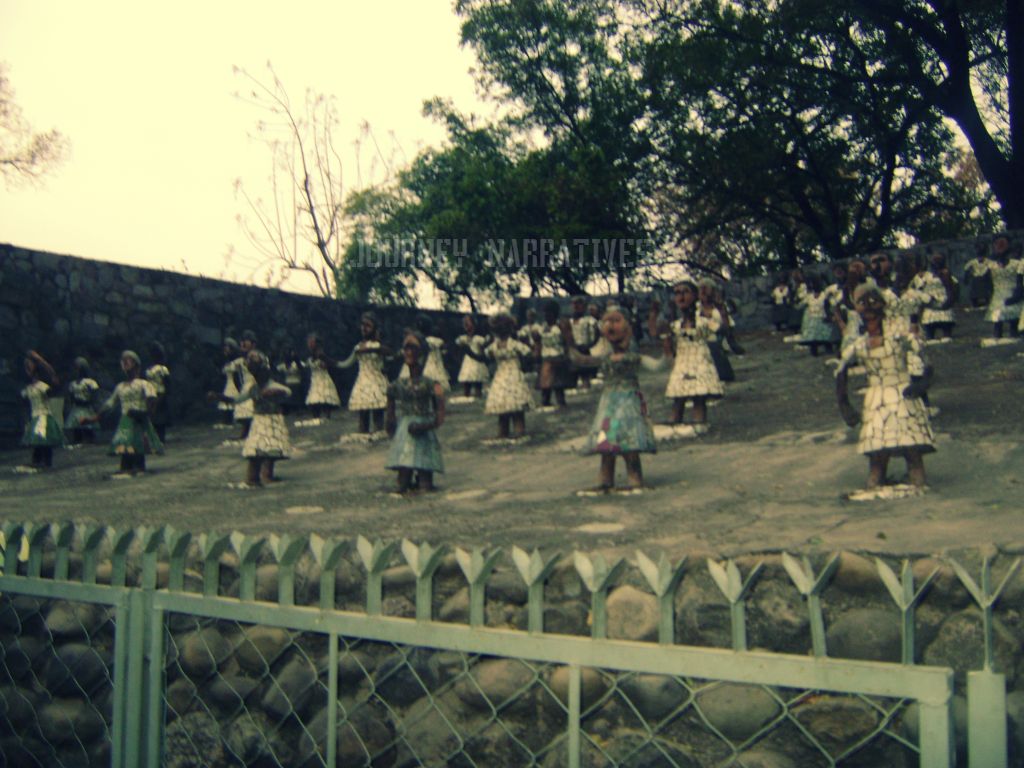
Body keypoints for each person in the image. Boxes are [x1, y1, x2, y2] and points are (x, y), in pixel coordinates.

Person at [836, 285, 934, 489]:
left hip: (902, 395)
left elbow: (925, 361)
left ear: (882, 306)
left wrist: (921, 384)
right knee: (877, 456)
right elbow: (840, 370)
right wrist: (844, 404)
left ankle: (916, 483)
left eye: (873, 302)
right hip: (876, 401)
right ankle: (879, 484)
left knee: (912, 449)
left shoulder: (899, 337)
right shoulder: (859, 344)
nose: (869, 309)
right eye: (863, 304)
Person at [570, 307, 666, 493]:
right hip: (609, 403)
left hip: (628, 402)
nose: (610, 326)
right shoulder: (606, 357)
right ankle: (606, 478)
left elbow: (658, 366)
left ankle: (634, 478)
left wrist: (667, 346)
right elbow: (582, 361)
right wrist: (569, 345)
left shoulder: (632, 357)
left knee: (629, 441)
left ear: (628, 326)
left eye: (616, 320)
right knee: (607, 441)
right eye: (607, 321)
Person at [213, 351, 291, 488]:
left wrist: (276, 392)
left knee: (269, 449)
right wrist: (219, 396)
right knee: (257, 449)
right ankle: (254, 478)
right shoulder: (253, 388)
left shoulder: (271, 385)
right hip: (259, 420)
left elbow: (287, 391)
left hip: (272, 420)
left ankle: (263, 476)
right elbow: (237, 400)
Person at [385, 331, 446, 494]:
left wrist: (425, 425)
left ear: (422, 353)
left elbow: (440, 415)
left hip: (423, 433)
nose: (409, 352)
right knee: (402, 481)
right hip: (404, 432)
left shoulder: (431, 384)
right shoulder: (397, 385)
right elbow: (390, 411)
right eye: (406, 348)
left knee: (425, 483)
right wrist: (390, 424)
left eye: (413, 348)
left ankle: (422, 480)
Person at [86, 350, 163, 477]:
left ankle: (138, 467)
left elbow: (152, 398)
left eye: (129, 360)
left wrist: (146, 413)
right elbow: (110, 403)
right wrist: (95, 417)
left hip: (139, 419)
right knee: (125, 444)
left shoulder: (143, 384)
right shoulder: (120, 387)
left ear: (136, 364)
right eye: (123, 360)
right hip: (126, 420)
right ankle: (126, 467)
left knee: (138, 444)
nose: (125, 362)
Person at [663, 279, 724, 426]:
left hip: (699, 359)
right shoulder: (675, 324)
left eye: (685, 292)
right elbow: (668, 347)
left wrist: (720, 309)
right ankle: (675, 425)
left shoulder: (703, 321)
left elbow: (721, 329)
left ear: (695, 296)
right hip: (682, 362)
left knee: (698, 396)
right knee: (678, 397)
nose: (681, 297)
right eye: (677, 293)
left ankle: (698, 424)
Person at [465, 313, 533, 439]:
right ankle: (518, 431)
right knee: (516, 406)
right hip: (514, 376)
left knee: (503, 406)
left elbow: (483, 358)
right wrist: (523, 363)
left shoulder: (494, 347)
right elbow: (528, 353)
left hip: (500, 377)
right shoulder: (514, 344)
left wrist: (469, 352)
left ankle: (503, 433)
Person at [336, 312, 391, 435]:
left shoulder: (378, 345)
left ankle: (379, 435)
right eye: (362, 325)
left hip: (377, 384)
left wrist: (371, 349)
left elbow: (389, 353)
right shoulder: (358, 347)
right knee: (363, 416)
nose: (364, 328)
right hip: (362, 384)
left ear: (374, 328)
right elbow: (346, 363)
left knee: (378, 414)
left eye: (368, 325)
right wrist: (329, 361)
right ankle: (363, 435)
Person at [20, 350, 64, 470]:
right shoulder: (28, 389)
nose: (28, 370)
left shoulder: (42, 386)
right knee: (37, 440)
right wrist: (27, 420)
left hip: (44, 415)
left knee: (44, 439)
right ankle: (38, 460)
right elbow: (25, 405)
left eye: (29, 367)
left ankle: (46, 462)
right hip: (34, 416)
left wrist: (41, 360)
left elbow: (54, 383)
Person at [979, 235, 1023, 339]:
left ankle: (1014, 335)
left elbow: (1020, 281)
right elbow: (984, 279)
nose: (1000, 247)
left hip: (1013, 294)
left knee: (1014, 319)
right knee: (997, 320)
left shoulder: (1018, 264)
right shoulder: (990, 265)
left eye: (1003, 244)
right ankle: (998, 337)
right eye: (997, 244)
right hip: (997, 295)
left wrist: (1018, 295)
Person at [532, 300, 571, 407]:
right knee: (545, 381)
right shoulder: (541, 328)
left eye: (549, 313)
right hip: (546, 357)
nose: (546, 316)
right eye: (545, 313)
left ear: (555, 314)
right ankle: (545, 401)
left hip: (558, 356)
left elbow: (567, 341)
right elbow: (538, 343)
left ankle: (561, 400)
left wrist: (567, 353)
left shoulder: (560, 327)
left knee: (558, 382)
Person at [913, 249, 958, 340]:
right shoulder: (924, 275)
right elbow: (918, 290)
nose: (937, 262)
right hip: (929, 305)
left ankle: (946, 334)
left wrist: (948, 302)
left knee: (946, 331)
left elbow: (952, 290)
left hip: (945, 304)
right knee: (929, 331)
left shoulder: (947, 274)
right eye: (935, 259)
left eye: (939, 259)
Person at [304, 332, 342, 419]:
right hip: (315, 380)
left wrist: (325, 363)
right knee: (314, 398)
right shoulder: (310, 357)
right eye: (309, 342)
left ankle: (327, 415)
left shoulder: (321, 355)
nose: (310, 344)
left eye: (312, 342)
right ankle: (316, 416)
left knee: (324, 396)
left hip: (323, 379)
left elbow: (329, 364)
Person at [796, 275, 835, 357]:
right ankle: (814, 350)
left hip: (823, 317)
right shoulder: (809, 297)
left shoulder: (825, 295)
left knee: (825, 334)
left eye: (817, 285)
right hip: (812, 318)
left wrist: (830, 314)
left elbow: (832, 304)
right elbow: (800, 305)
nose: (815, 287)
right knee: (813, 336)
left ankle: (828, 348)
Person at [64, 356, 100, 444]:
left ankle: (90, 440)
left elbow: (95, 395)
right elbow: (71, 397)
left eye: (78, 368)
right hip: (76, 408)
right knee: (76, 427)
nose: (76, 370)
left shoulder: (90, 382)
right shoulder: (72, 384)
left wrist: (92, 404)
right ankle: (77, 440)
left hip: (86, 407)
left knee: (87, 426)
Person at [568, 296, 600, 389]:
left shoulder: (590, 320)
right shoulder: (570, 321)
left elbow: (597, 334)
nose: (576, 307)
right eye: (574, 305)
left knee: (585, 370)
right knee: (574, 369)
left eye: (578, 304)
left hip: (585, 348)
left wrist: (590, 345)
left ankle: (586, 384)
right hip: (574, 349)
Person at [455, 314, 490, 398]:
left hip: (477, 363)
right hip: (467, 362)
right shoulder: (462, 338)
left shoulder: (479, 338)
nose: (466, 323)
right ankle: (466, 396)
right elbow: (458, 350)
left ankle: (478, 395)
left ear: (473, 324)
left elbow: (484, 350)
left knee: (478, 381)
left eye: (468, 321)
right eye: (464, 322)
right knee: (466, 381)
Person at [146, 341, 171, 442]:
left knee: (156, 419)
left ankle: (157, 440)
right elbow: (167, 384)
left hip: (155, 396)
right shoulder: (161, 369)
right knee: (157, 420)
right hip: (157, 396)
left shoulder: (150, 370)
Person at [217, 338, 241, 428]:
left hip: (234, 383)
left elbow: (237, 374)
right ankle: (226, 419)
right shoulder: (226, 361)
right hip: (228, 383)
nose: (225, 349)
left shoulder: (237, 361)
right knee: (226, 401)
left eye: (227, 347)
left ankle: (234, 419)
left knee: (233, 399)